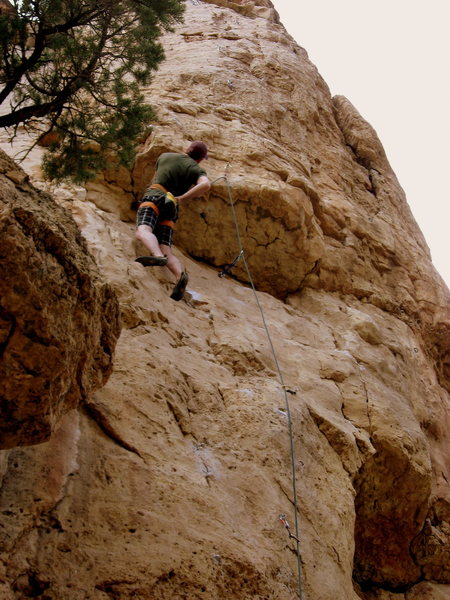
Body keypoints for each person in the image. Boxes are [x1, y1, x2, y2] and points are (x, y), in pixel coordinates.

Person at [135, 141, 211, 301]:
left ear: (187, 149)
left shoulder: (165, 156)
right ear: (201, 159)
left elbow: (155, 177)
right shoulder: (195, 168)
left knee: (143, 230)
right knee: (166, 248)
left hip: (155, 196)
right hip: (171, 206)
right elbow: (205, 184)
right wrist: (182, 197)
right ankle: (179, 276)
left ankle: (156, 255)